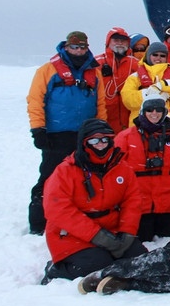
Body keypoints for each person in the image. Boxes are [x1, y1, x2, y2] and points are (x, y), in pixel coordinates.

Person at [42, 119, 147, 282]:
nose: (101, 144)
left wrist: (127, 232)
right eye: (94, 140)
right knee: (97, 264)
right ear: (84, 142)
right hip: (72, 235)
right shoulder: (65, 171)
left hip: (112, 231)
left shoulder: (122, 168)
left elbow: (132, 201)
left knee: (140, 260)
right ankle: (56, 270)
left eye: (105, 139)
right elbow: (57, 209)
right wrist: (96, 235)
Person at [27, 31, 107, 234]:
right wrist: (38, 129)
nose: (78, 51)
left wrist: (102, 129)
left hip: (86, 135)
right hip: (57, 134)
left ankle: (76, 217)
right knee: (50, 177)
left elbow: (100, 103)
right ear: (66, 47)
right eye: (74, 47)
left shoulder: (94, 72)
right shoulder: (48, 70)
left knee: (83, 177)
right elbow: (36, 100)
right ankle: (39, 222)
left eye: (82, 47)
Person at [116, 88, 170, 241]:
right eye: (150, 110)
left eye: (159, 110)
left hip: (167, 203)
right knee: (142, 243)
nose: (154, 113)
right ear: (143, 111)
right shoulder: (126, 137)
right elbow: (115, 169)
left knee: (166, 243)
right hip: (139, 203)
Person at [94, 28, 139, 133]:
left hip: (129, 118)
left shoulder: (136, 64)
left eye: (123, 41)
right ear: (108, 42)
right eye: (116, 40)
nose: (120, 43)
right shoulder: (96, 63)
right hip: (104, 117)